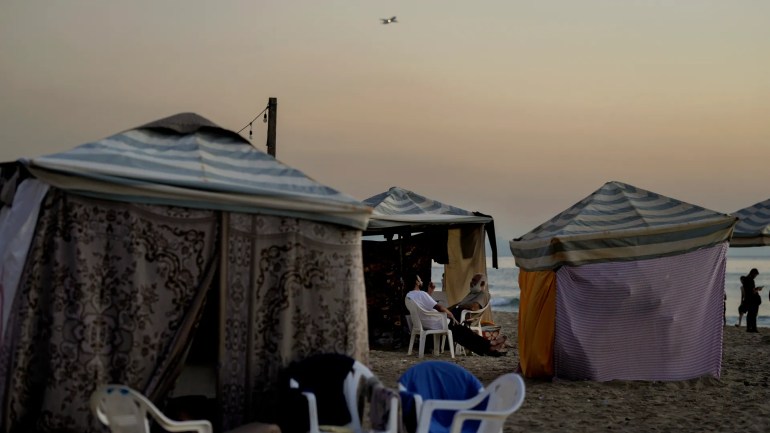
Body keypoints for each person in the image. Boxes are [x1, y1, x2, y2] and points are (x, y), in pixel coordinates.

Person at [405, 274, 506, 356]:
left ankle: (489, 348)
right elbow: (438, 307)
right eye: (419, 278)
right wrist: (449, 313)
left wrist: (431, 294)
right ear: (417, 282)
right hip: (436, 321)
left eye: (474, 280)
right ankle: (489, 346)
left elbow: (425, 305)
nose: (421, 279)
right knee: (461, 332)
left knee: (461, 332)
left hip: (428, 322)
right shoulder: (422, 294)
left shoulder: (409, 296)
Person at [741, 268, 762, 333]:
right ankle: (753, 328)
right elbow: (752, 291)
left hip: (748, 299)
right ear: (753, 273)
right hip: (752, 299)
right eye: (755, 275)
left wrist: (755, 289)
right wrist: (757, 289)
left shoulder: (745, 279)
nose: (755, 276)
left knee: (750, 314)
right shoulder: (750, 280)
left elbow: (748, 290)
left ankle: (749, 328)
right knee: (753, 314)